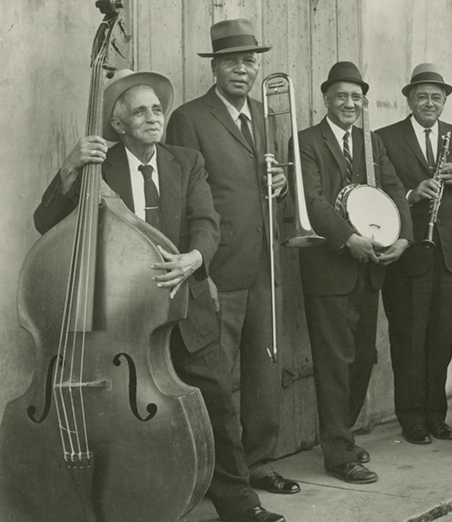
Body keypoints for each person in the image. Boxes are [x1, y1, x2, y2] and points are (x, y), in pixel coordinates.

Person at [34, 70, 285, 522]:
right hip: (122, 319)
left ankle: (241, 506)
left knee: (218, 407)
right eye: (139, 112)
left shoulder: (185, 161)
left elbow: (206, 221)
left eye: (156, 109)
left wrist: (195, 258)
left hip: (185, 305)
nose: (152, 118)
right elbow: (45, 222)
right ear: (119, 124)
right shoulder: (99, 167)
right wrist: (70, 167)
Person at [165, 19, 299, 498]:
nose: (242, 70)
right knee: (215, 381)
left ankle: (259, 464)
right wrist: (201, 269)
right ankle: (218, 477)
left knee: (264, 370)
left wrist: (281, 188)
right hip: (217, 270)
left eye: (249, 62)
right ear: (215, 67)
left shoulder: (266, 114)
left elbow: (274, 191)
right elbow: (183, 200)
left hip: (264, 266)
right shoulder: (189, 117)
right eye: (231, 62)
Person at [295, 61, 413, 483]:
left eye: (355, 97)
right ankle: (338, 451)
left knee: (363, 358)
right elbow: (312, 200)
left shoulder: (371, 144)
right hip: (330, 270)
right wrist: (348, 239)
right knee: (334, 362)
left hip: (370, 269)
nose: (349, 103)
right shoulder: (306, 141)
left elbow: (394, 189)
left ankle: (338, 436)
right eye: (341, 96)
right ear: (326, 99)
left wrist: (403, 236)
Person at [376, 63, 452, 445]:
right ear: (409, 99)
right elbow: (374, 193)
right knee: (409, 337)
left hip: (451, 252)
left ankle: (435, 416)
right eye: (421, 96)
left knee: (440, 338)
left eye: (436, 98)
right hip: (409, 252)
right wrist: (410, 195)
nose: (429, 103)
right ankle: (411, 419)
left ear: (444, 102)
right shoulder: (384, 137)